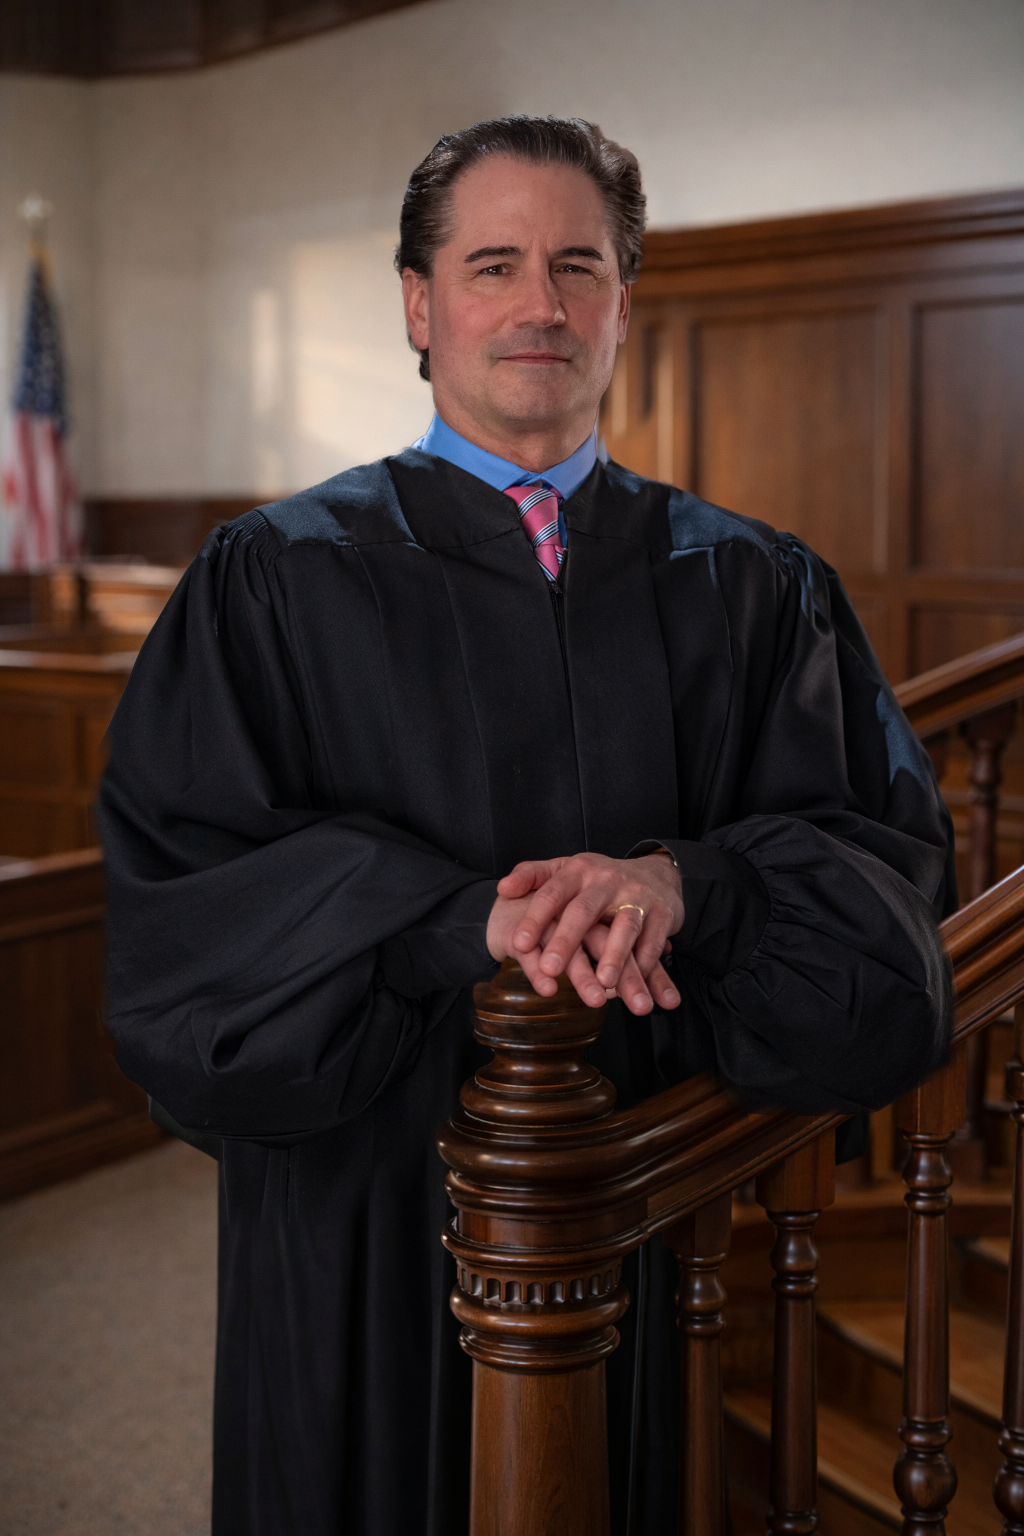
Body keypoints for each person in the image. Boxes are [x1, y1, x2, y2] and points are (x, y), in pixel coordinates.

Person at [98, 116, 954, 1536]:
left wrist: (690, 881)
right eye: (494, 263)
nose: (540, 304)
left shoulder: (754, 589)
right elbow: (189, 907)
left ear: (628, 304)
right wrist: (457, 921)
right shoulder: (274, 579)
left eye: (580, 265)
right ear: (422, 306)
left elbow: (883, 890)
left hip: (650, 1198)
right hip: (361, 1213)